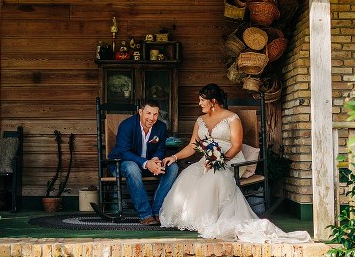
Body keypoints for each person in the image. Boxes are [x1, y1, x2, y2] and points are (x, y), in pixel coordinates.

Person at [159, 84, 311, 243]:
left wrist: (219, 160)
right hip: (208, 159)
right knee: (188, 174)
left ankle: (209, 217)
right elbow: (192, 145)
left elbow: (236, 145)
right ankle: (190, 218)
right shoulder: (200, 120)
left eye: (202, 100)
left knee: (213, 177)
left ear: (213, 101)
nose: (199, 104)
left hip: (231, 159)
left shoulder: (232, 118)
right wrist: (174, 157)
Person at [108, 99, 179, 225]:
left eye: (155, 114)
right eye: (148, 113)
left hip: (149, 164)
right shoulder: (127, 125)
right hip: (122, 163)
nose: (151, 118)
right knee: (132, 167)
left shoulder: (161, 127)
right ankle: (145, 214)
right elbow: (123, 151)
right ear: (140, 112)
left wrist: (156, 159)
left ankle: (157, 211)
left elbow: (161, 148)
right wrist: (147, 163)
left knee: (172, 167)